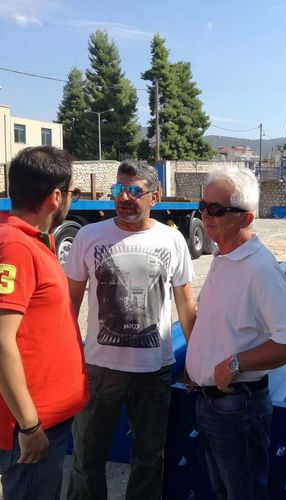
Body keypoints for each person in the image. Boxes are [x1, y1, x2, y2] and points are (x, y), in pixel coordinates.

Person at [65, 161, 196, 500]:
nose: (124, 197)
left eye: (134, 190)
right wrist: (66, 356)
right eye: (118, 189)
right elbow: (70, 301)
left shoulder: (172, 239)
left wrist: (196, 359)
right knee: (87, 456)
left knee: (149, 459)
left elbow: (185, 302)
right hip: (99, 370)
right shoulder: (89, 236)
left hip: (153, 372)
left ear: (155, 196)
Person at [185, 166, 286, 499]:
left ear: (246, 218)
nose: (205, 215)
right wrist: (197, 364)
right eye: (203, 205)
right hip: (210, 401)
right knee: (222, 489)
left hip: (237, 408)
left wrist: (235, 363)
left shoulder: (260, 270)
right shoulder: (223, 254)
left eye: (216, 209)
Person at [0, 146, 89, 499]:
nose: (71, 199)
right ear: (55, 197)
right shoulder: (14, 248)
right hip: (31, 426)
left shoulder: (32, 240)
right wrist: (29, 425)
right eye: (71, 192)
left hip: (47, 419)